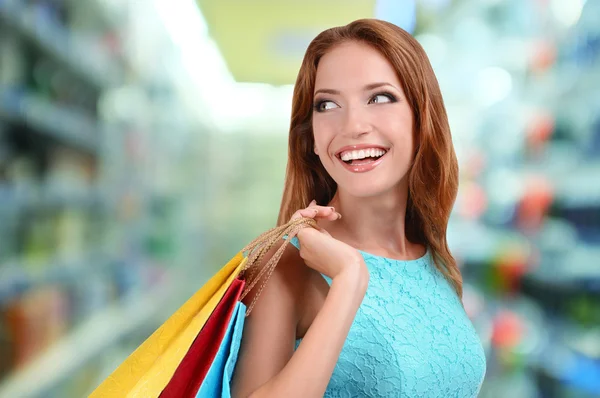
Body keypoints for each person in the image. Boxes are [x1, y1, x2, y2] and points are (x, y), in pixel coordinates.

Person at [231, 19, 487, 397]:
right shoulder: (287, 264)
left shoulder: (433, 257)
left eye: (379, 98)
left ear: (422, 119)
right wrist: (349, 280)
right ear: (312, 139)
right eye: (328, 104)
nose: (353, 125)